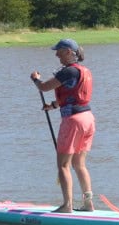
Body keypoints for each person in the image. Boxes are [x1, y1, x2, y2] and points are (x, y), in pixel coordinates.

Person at [31, 38, 97, 213]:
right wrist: (52, 105)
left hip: (73, 121)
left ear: (68, 51)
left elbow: (44, 87)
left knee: (63, 165)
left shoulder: (68, 72)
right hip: (88, 119)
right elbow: (74, 96)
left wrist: (36, 80)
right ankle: (88, 204)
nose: (56, 54)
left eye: (59, 51)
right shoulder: (84, 71)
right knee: (79, 164)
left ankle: (67, 206)